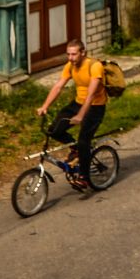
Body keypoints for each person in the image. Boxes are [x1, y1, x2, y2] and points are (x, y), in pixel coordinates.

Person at [35, 39, 106, 189]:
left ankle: (85, 177)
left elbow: (91, 95)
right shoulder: (70, 66)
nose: (70, 58)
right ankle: (76, 150)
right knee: (54, 130)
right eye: (68, 54)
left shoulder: (95, 66)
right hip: (78, 103)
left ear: (83, 53)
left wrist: (81, 115)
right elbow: (58, 86)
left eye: (74, 54)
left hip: (95, 107)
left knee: (84, 140)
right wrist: (45, 106)